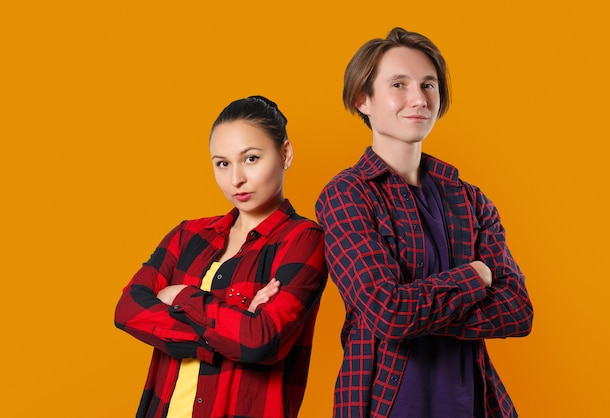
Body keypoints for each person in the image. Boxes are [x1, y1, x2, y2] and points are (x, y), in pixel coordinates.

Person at [315, 27, 534, 418]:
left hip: (473, 403)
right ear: (362, 99)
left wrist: (416, 310)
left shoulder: (469, 198)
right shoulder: (347, 194)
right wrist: (474, 278)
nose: (418, 99)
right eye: (399, 84)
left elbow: (518, 311)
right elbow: (387, 311)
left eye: (428, 85)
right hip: (385, 403)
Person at [115, 95, 328, 418]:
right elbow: (128, 309)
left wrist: (181, 296)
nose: (236, 179)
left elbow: (261, 341)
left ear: (285, 154)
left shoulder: (303, 241)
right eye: (222, 163)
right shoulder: (189, 235)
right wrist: (234, 329)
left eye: (251, 159)